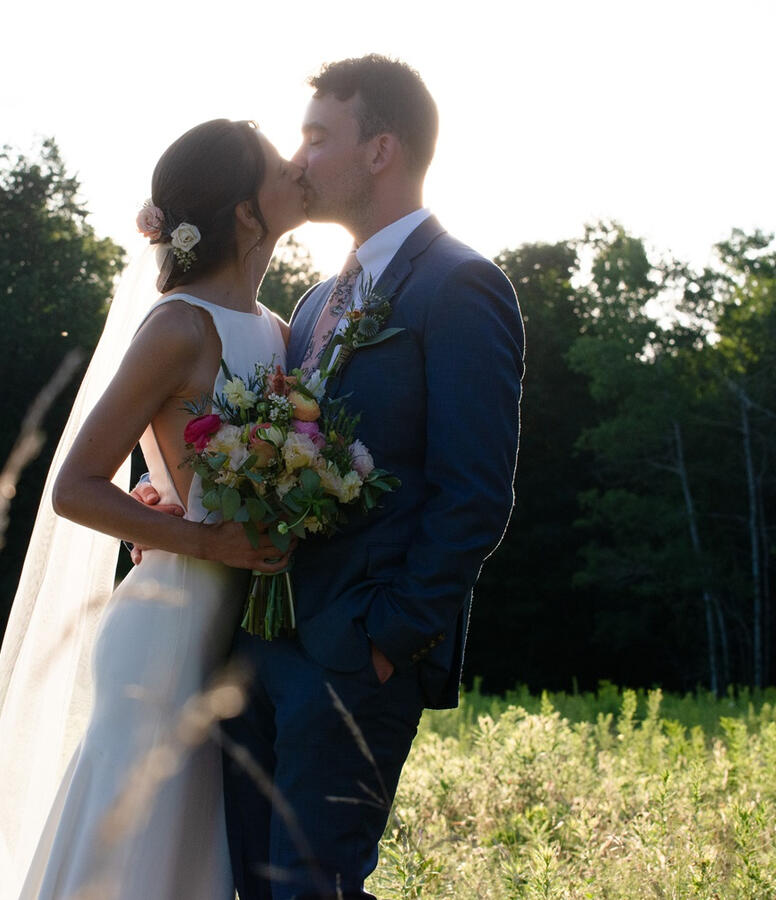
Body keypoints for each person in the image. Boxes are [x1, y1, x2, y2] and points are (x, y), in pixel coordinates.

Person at [0, 118, 307, 900]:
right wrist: (200, 539)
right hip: (165, 636)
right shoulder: (178, 326)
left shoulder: (280, 331)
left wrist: (188, 514)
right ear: (245, 212)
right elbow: (73, 486)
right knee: (137, 851)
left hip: (237, 636)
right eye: (280, 164)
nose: (299, 168)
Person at [218, 56, 525, 899]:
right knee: (247, 882)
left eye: (318, 136)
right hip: (260, 646)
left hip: (355, 656)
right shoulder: (317, 300)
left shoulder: (463, 287)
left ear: (381, 149)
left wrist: (388, 641)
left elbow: (475, 496)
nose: (298, 157)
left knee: (313, 889)